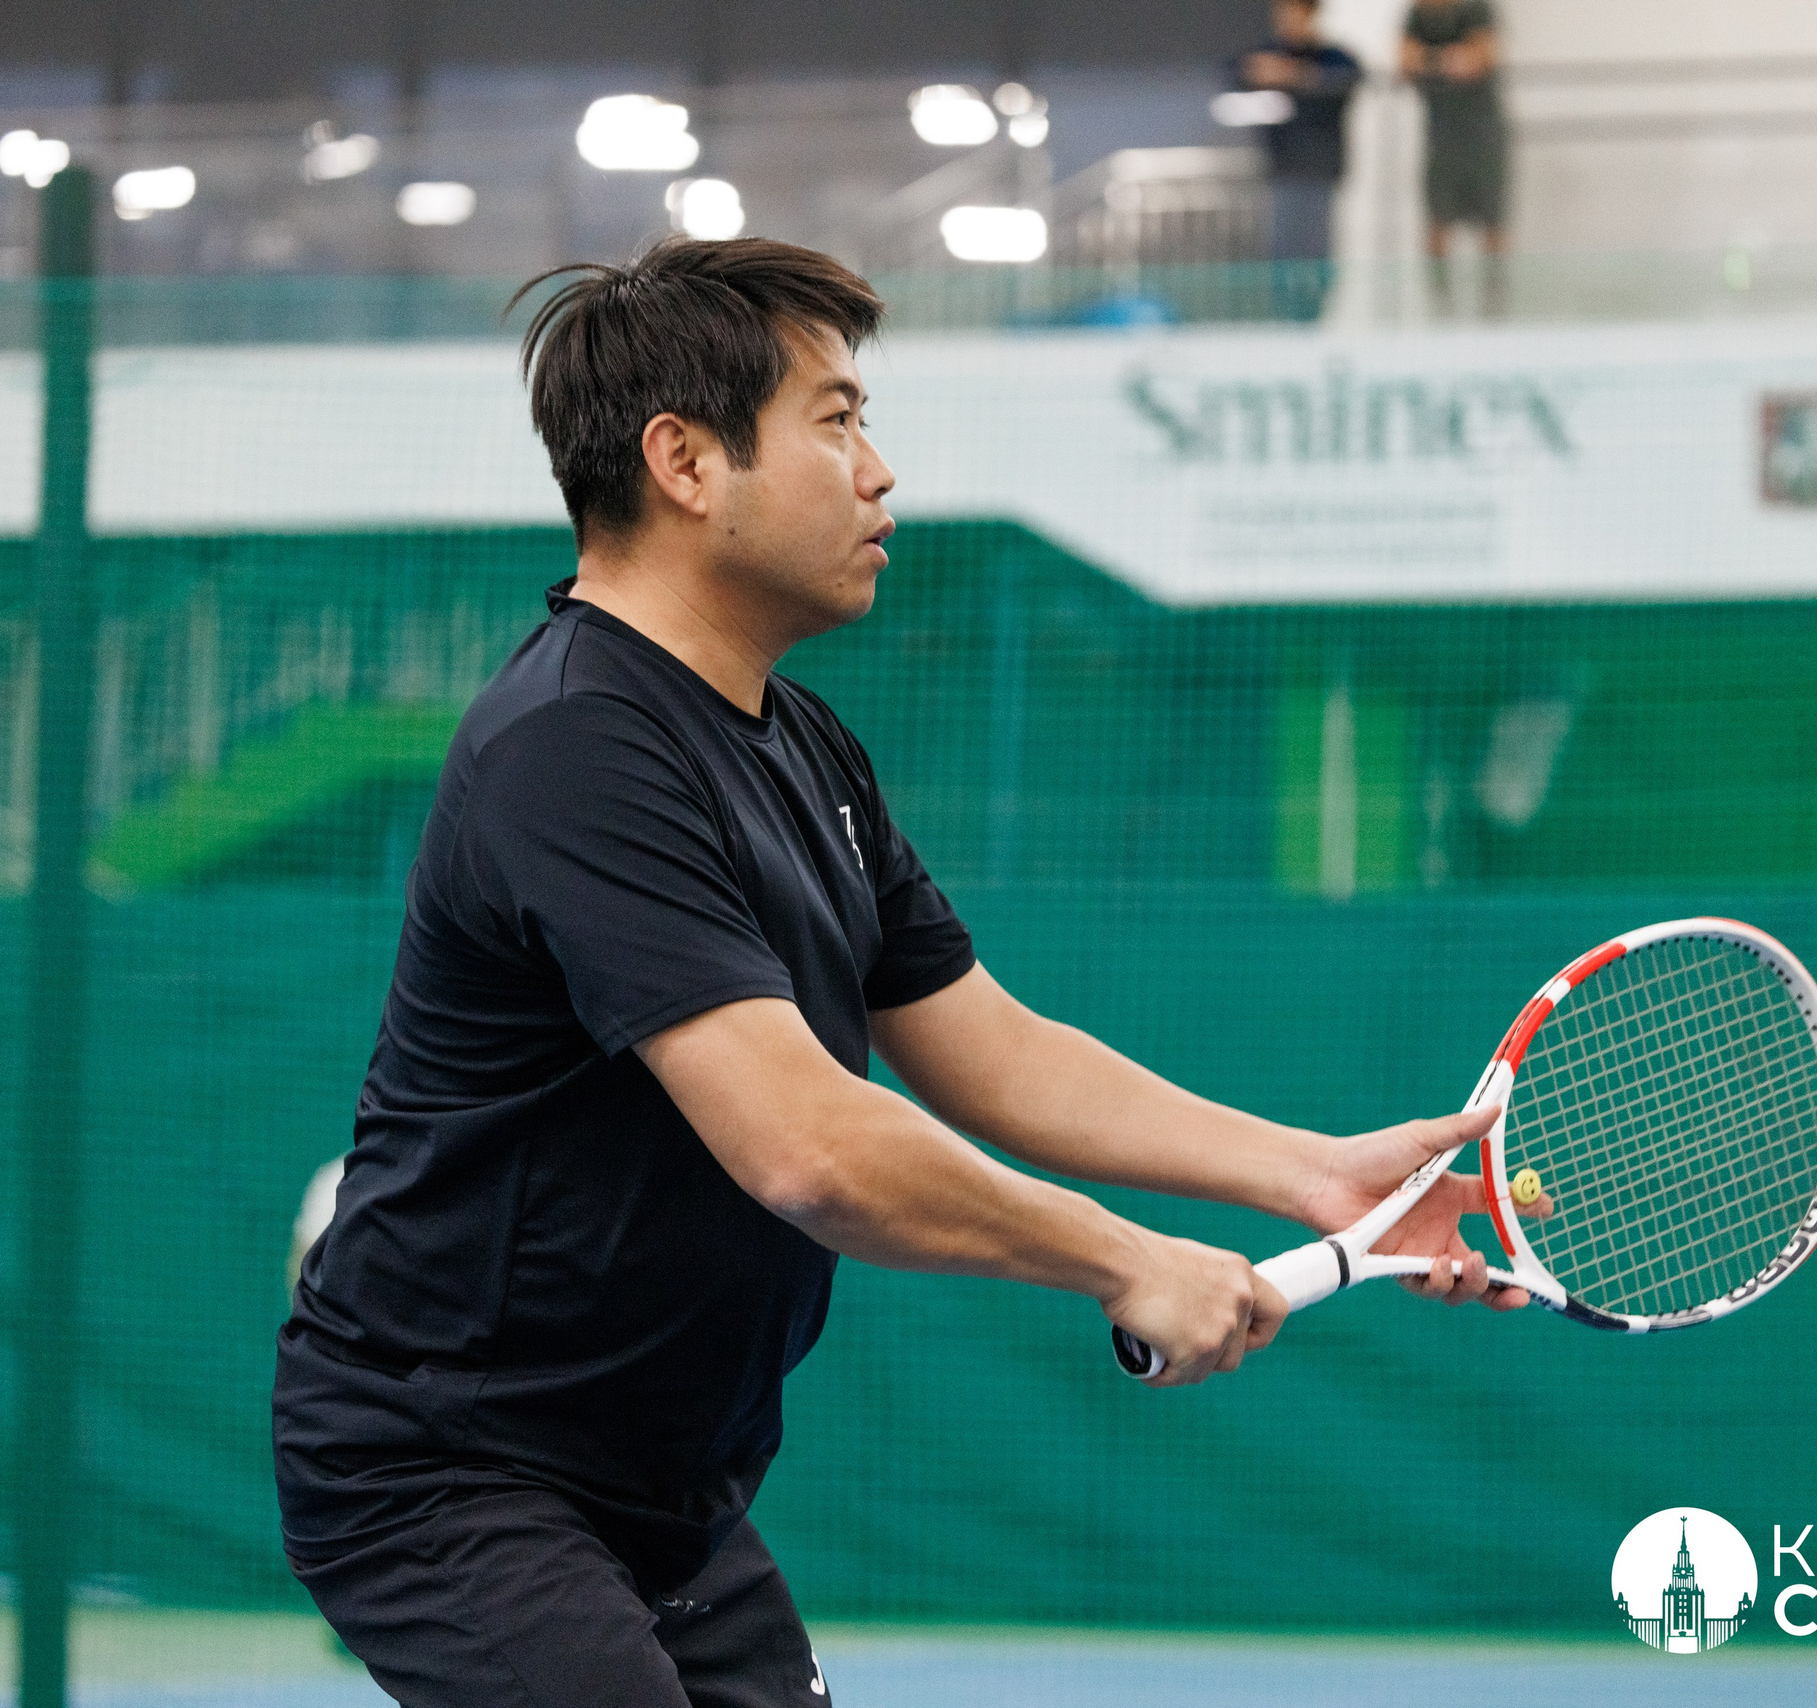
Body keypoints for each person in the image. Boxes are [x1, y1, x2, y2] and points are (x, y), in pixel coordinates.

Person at [273, 236, 1536, 1708]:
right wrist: (1124, 1260)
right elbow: (809, 1146)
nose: (880, 472)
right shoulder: (573, 746)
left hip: (664, 1483)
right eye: (835, 419)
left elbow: (997, 1053)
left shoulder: (808, 750)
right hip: (451, 1470)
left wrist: (1312, 1178)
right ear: (685, 461)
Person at [1232, 0, 1363, 319]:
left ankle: (1315, 316)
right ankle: (1285, 318)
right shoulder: (1267, 54)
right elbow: (1233, 73)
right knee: (1281, 254)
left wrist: (1294, 75)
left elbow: (1350, 77)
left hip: (1319, 171)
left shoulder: (1331, 57)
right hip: (1282, 169)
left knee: (1316, 254)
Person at [1399, 0, 1509, 316]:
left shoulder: (1476, 9)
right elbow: (1404, 62)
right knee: (1437, 220)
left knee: (1492, 221)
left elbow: (1478, 60)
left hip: (1482, 136)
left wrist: (1429, 60)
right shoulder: (1416, 15)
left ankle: (1495, 301)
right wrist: (1446, 59)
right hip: (1440, 138)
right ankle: (1439, 303)